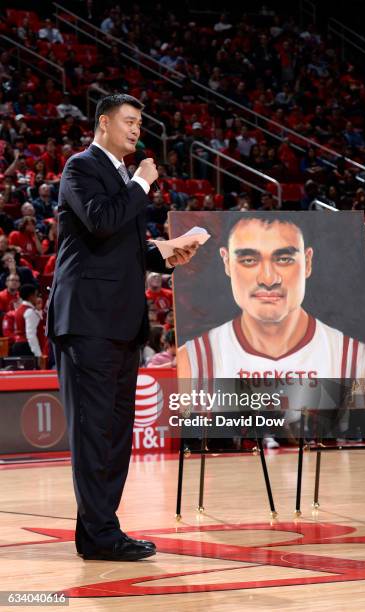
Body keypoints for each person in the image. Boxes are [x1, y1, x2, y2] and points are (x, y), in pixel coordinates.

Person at [47, 94, 199, 562]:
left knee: (113, 434)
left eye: (140, 122)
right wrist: (139, 183)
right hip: (88, 321)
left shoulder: (117, 179)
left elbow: (119, 245)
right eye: (129, 121)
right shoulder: (82, 167)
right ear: (104, 123)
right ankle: (101, 534)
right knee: (95, 432)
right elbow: (100, 221)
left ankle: (99, 533)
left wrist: (164, 253)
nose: (137, 129)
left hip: (119, 323)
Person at [178, 214, 365, 381]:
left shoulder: (355, 360)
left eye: (283, 259)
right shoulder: (194, 360)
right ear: (227, 262)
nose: (268, 278)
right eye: (249, 260)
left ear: (307, 263)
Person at [11, 284, 43, 363]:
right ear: (31, 296)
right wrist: (38, 354)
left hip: (18, 345)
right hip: (26, 347)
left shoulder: (19, 309)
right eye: (36, 295)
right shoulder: (29, 311)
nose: (37, 298)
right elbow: (31, 335)